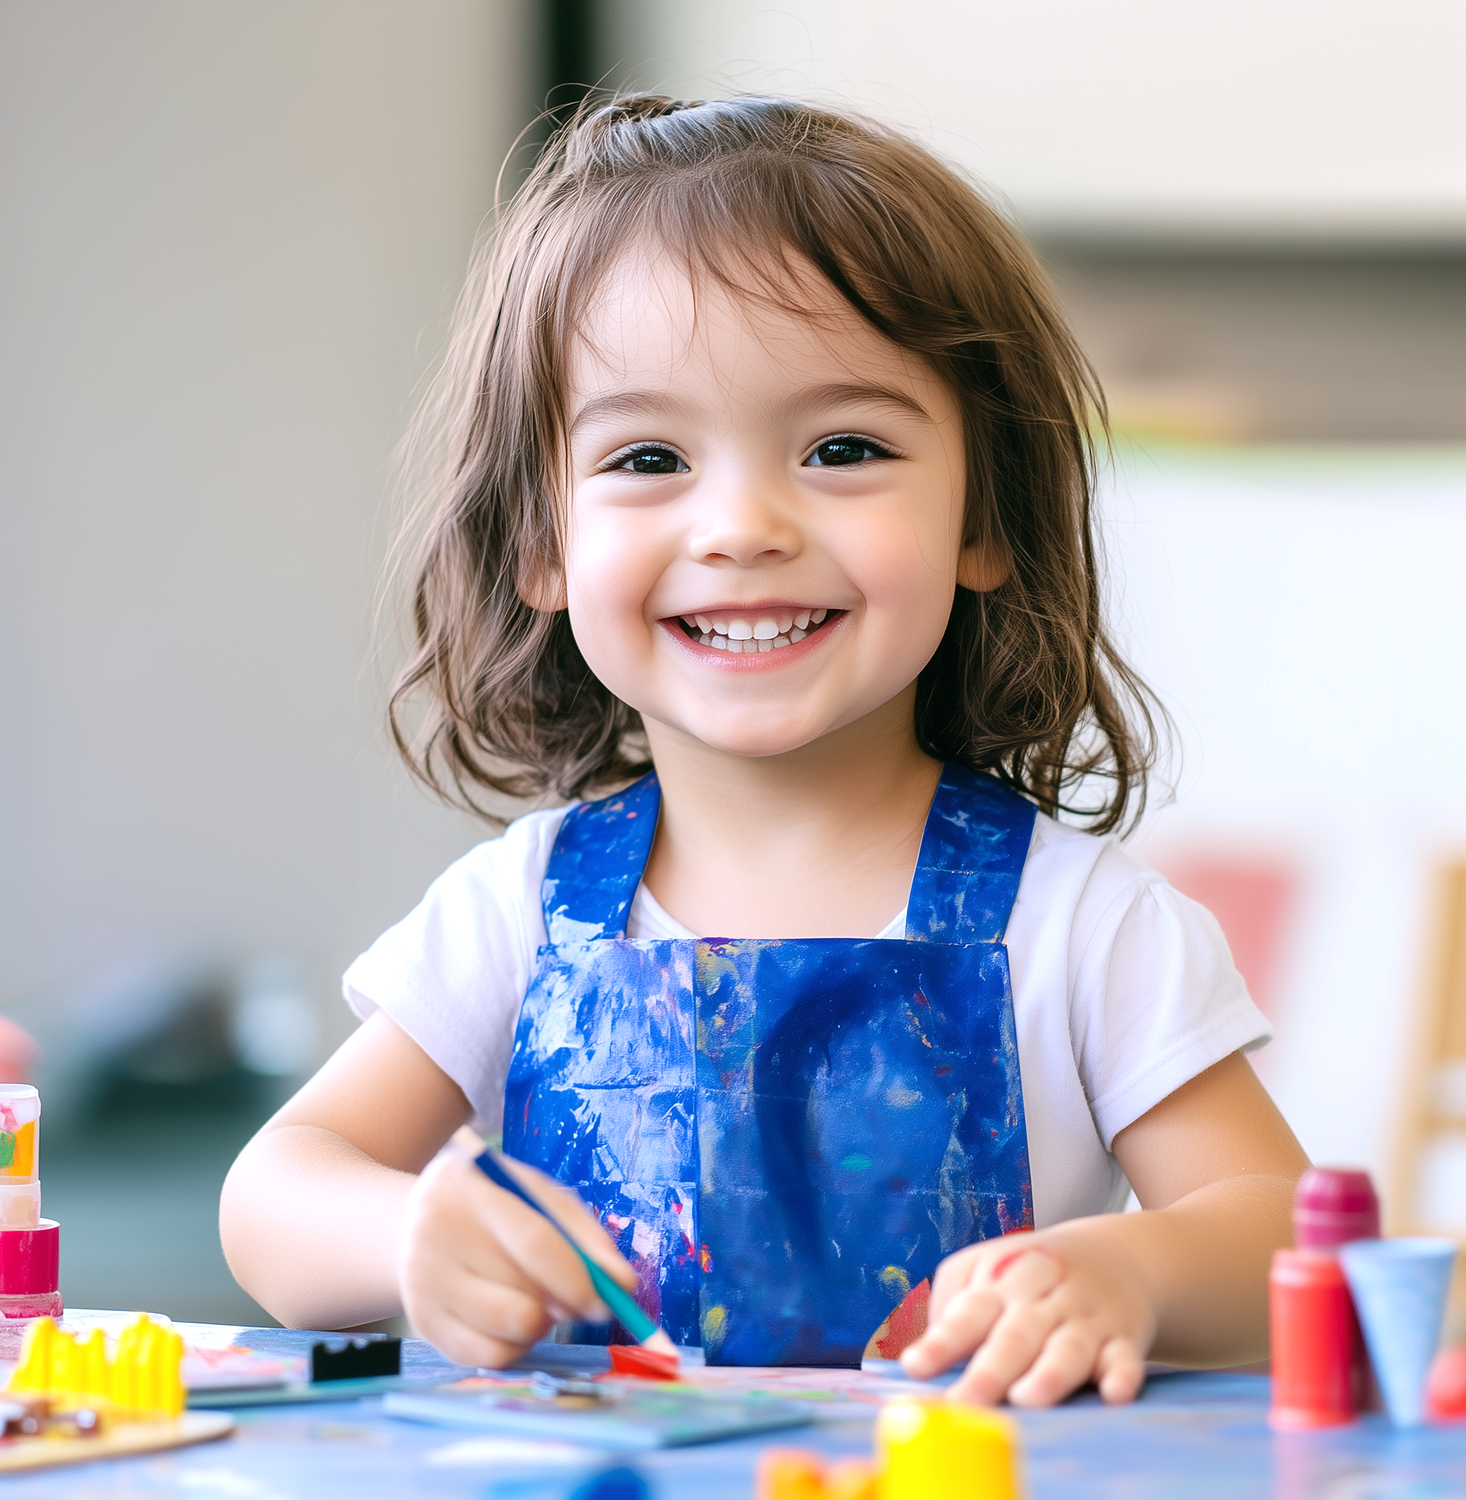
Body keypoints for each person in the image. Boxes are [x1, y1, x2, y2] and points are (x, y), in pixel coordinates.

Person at [221, 94, 1308, 1406]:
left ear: (986, 518)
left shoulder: (1090, 927)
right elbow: (274, 1200)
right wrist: (406, 1240)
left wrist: (1131, 1273)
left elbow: (1282, 1238)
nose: (741, 525)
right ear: (541, 546)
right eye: (649, 455)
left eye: (844, 447)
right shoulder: (513, 912)